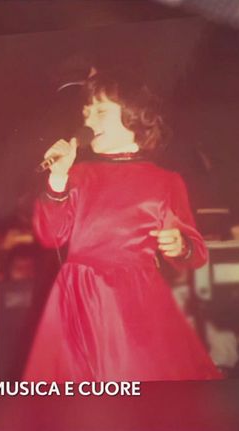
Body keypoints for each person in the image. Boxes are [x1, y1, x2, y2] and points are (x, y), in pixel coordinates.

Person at [23, 70, 222, 381]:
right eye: (86, 113)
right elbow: (51, 235)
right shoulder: (77, 175)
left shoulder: (165, 182)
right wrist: (58, 179)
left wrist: (180, 244)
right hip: (78, 298)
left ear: (136, 117)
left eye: (101, 111)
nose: (89, 121)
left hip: (134, 301)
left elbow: (195, 253)